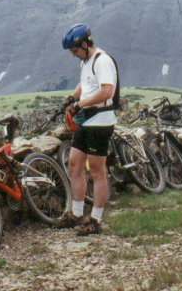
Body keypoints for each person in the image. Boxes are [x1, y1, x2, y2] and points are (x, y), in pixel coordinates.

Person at [56, 23, 118, 235]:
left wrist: (80, 105)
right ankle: (76, 213)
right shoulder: (86, 62)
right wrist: (72, 97)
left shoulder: (103, 61)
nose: (73, 55)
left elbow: (106, 91)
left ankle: (95, 219)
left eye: (74, 50)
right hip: (86, 121)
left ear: (84, 44)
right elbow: (85, 85)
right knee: (74, 165)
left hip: (100, 121)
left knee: (97, 171)